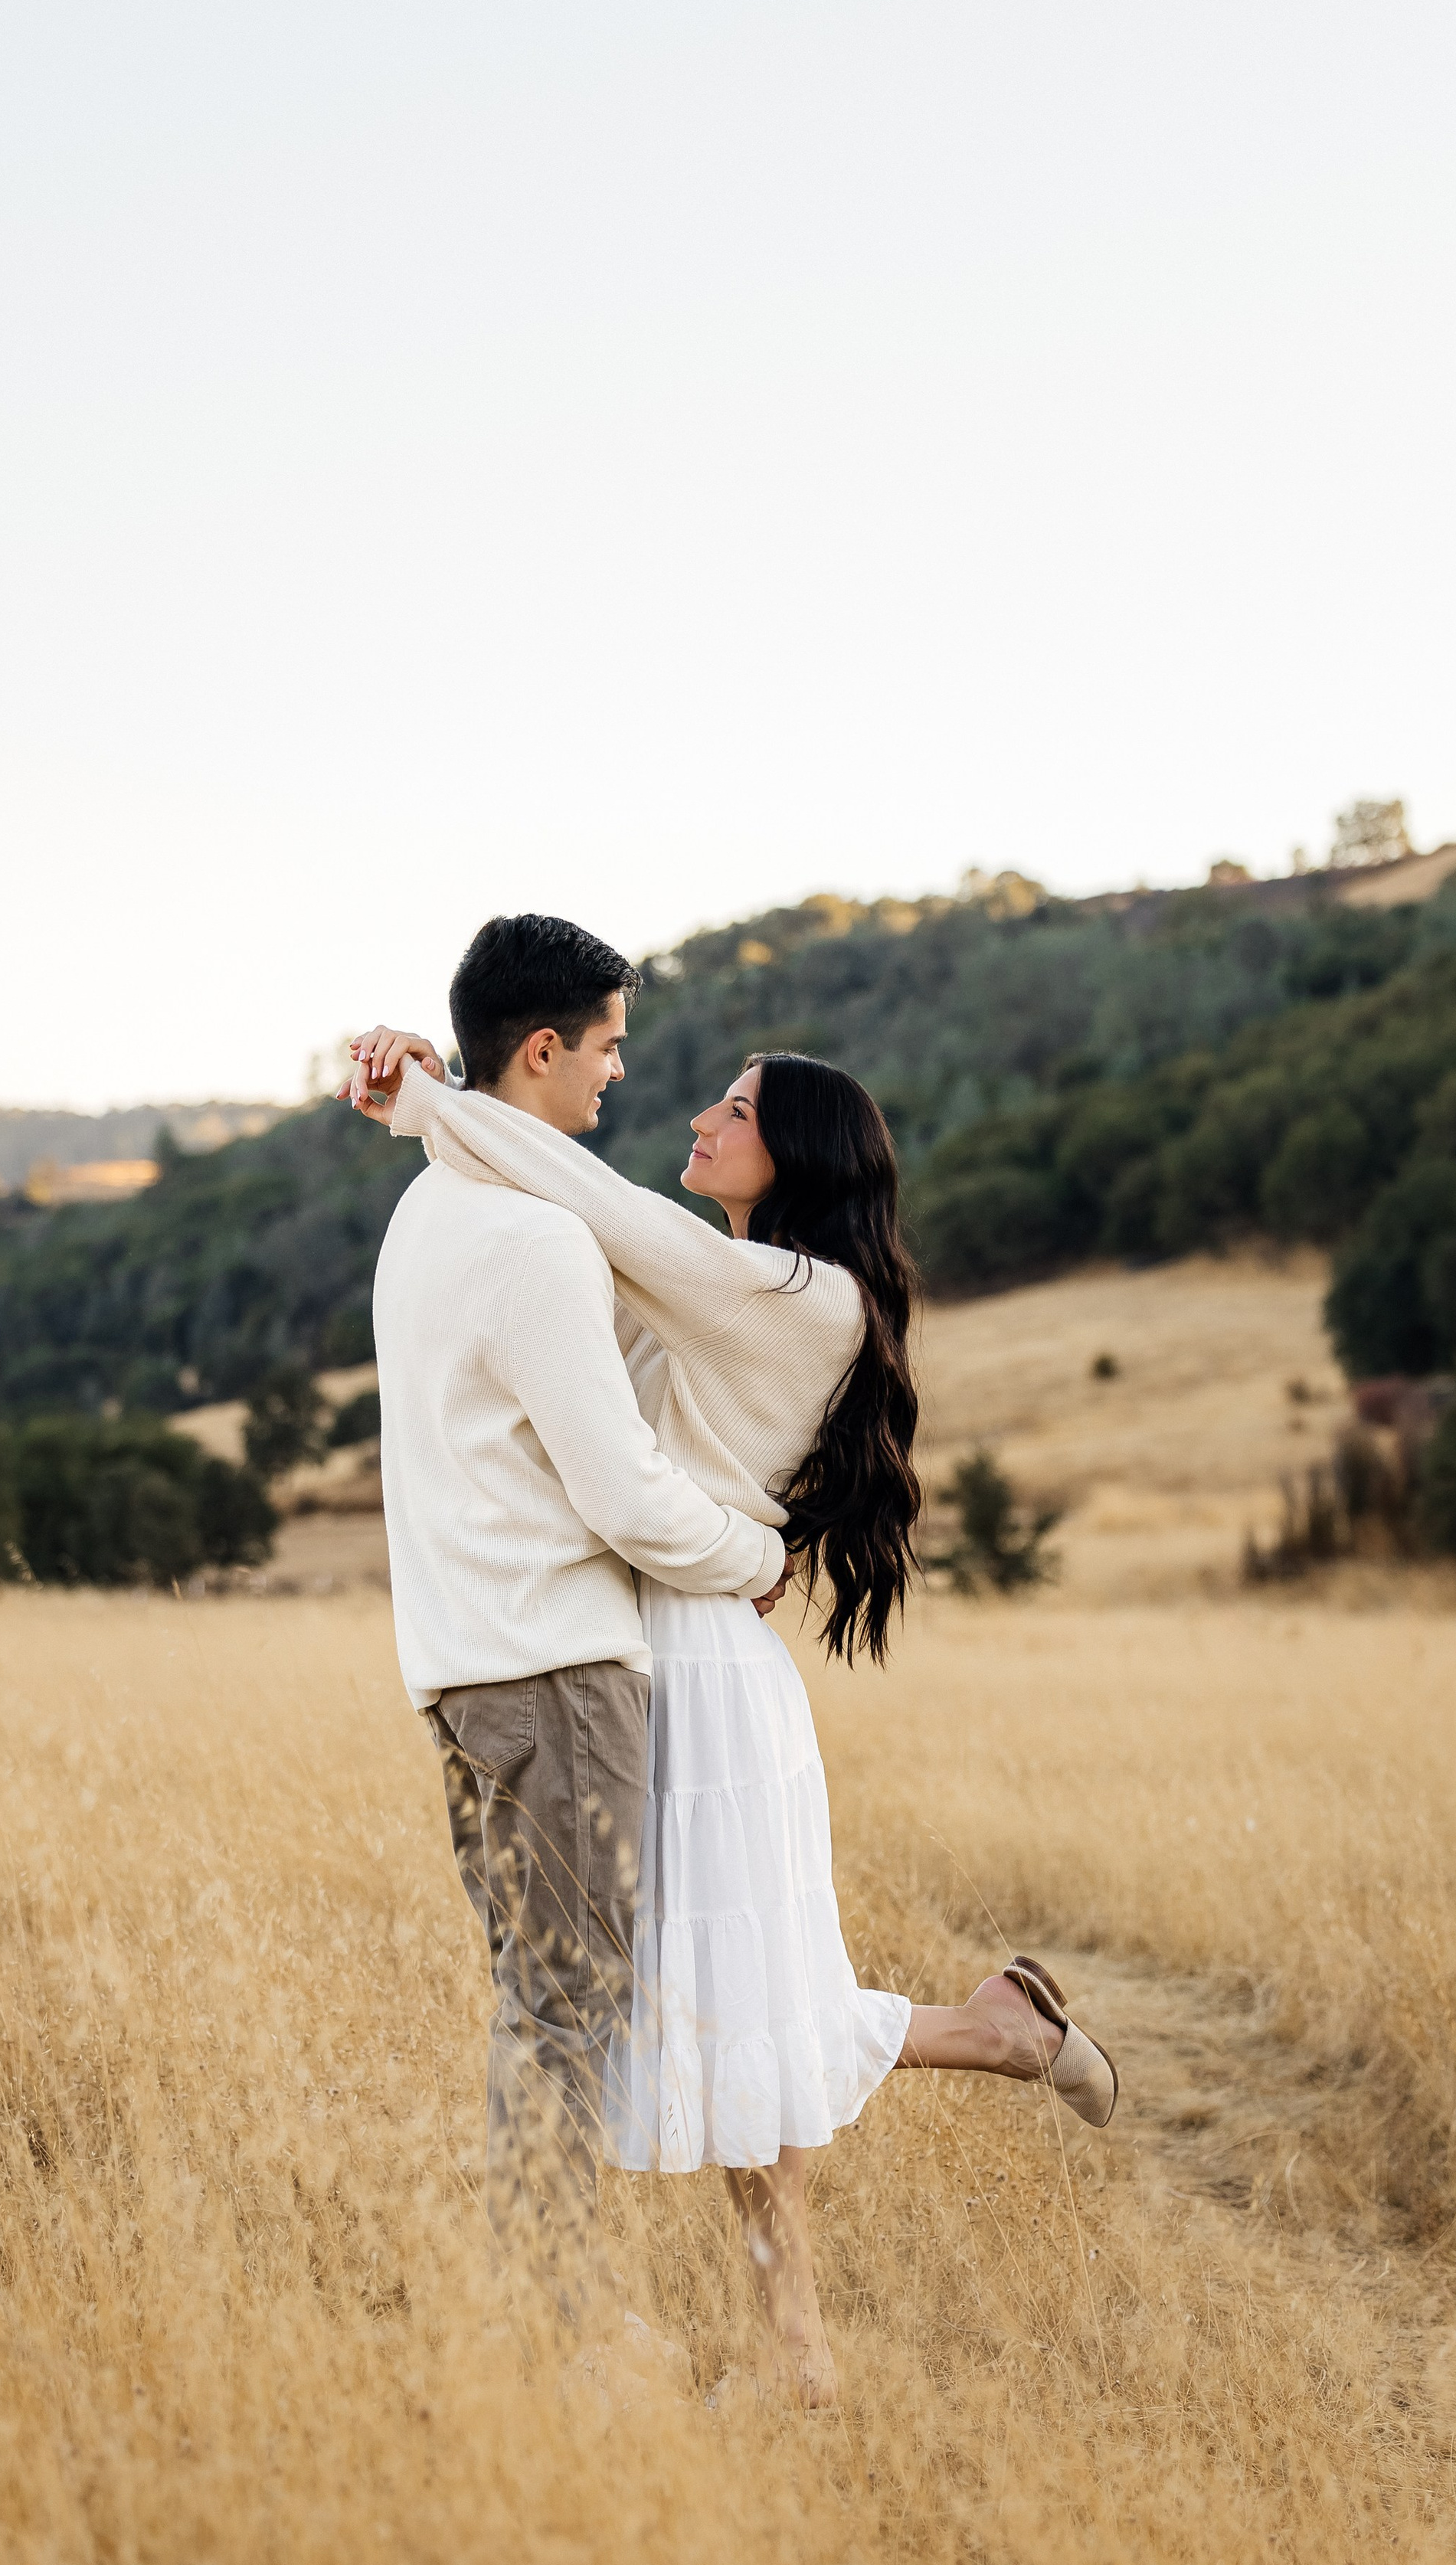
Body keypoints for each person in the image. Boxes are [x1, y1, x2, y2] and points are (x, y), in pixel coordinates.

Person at [348, 1001, 1119, 2407]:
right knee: (734, 2011)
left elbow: (596, 1202)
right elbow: (561, 1247)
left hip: (698, 1661)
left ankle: (801, 2354)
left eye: (737, 1110)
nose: (699, 1115)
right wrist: (447, 1101)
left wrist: (426, 1101)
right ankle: (989, 2046)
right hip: (649, 1645)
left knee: (740, 2017)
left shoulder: (794, 1295)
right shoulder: (731, 1281)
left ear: (798, 1156)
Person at [362, 916, 790, 2334]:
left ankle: (548, 2312)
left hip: (459, 1676)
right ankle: (554, 2328)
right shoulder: (538, 1241)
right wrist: (752, 1553)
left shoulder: (424, 1215)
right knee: (564, 2012)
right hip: (555, 1673)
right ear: (540, 1048)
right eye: (605, 1045)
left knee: (531, 1996)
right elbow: (621, 1494)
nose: (617, 1073)